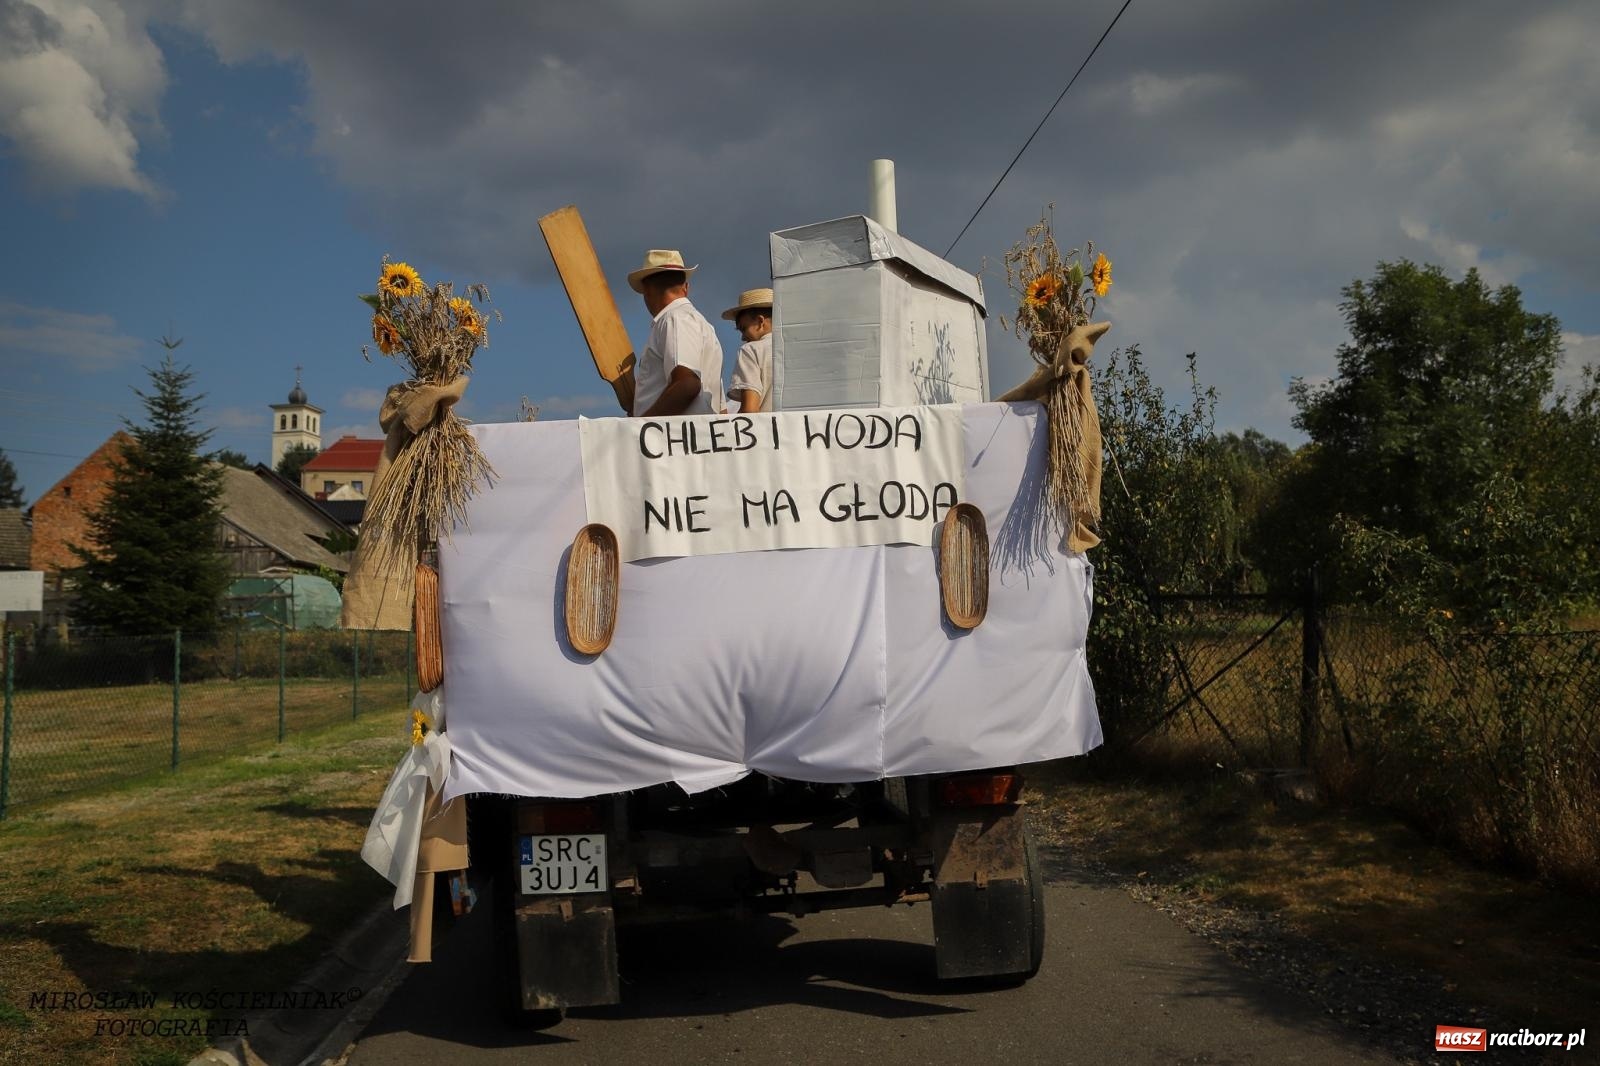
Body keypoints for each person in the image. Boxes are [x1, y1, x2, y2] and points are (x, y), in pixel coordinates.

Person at [626, 249, 726, 417]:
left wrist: (642, 427)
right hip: (701, 438)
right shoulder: (704, 326)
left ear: (647, 289)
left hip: (673, 440)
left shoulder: (675, 318)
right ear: (686, 287)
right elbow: (721, 410)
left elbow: (687, 385)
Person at [721, 288, 774, 414]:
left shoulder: (751, 350)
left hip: (768, 432)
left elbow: (750, 411)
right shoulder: (800, 347)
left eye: (744, 329)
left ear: (760, 321)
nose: (743, 337)